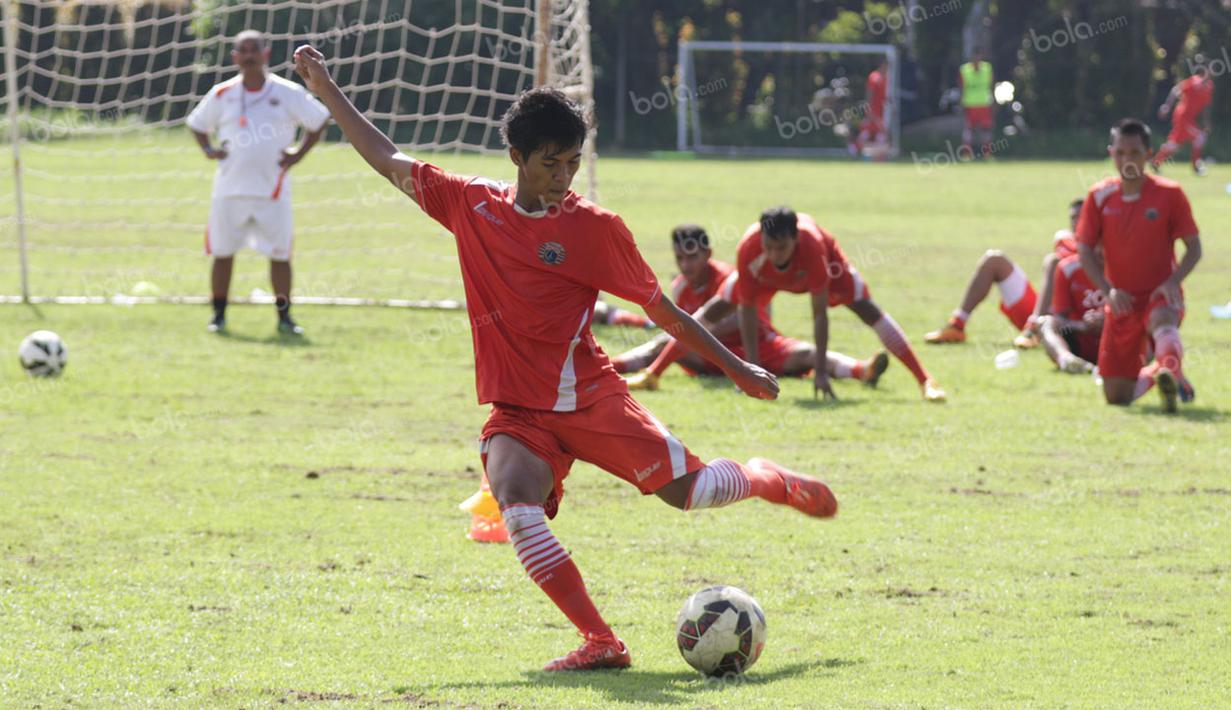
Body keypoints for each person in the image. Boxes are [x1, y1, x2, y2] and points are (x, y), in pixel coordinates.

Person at [293, 45, 840, 671]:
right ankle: (602, 641)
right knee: (515, 501)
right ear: (517, 158)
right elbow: (388, 159)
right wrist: (327, 89)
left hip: (590, 397)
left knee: (690, 494)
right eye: (550, 163)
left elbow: (664, 311)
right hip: (520, 410)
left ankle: (765, 478)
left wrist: (738, 369)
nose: (563, 176)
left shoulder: (596, 229)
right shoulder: (470, 204)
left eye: (573, 162)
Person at [617, 224, 888, 390]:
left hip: (758, 347)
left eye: (692, 257)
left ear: (707, 254)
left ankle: (862, 370)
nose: (686, 265)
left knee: (807, 353)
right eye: (680, 258)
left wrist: (702, 332)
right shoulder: (679, 287)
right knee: (663, 343)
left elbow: (756, 315)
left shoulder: (727, 278)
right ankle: (614, 367)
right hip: (712, 356)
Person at [187, 30, 330, 335]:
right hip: (229, 190)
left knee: (280, 255)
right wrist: (209, 149)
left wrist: (298, 154)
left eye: (255, 49)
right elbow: (197, 124)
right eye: (244, 50)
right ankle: (218, 316)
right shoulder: (222, 93)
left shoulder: (287, 92)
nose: (249, 55)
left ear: (266, 53)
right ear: (235, 57)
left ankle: (285, 318)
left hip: (272, 190)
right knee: (222, 253)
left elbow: (319, 120)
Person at [734, 208, 945, 402]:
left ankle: (925, 380)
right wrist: (750, 371)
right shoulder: (748, 249)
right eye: (768, 247)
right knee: (726, 301)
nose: (774, 254)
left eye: (781, 248)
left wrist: (821, 372)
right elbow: (747, 308)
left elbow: (819, 314)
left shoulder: (812, 246)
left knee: (867, 309)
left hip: (828, 268)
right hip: (768, 277)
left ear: (795, 239)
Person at [1077, 118, 1202, 413]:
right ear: (1111, 153)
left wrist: (1172, 282)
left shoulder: (1170, 194)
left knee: (1162, 319)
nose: (1127, 160)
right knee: (1116, 396)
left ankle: (1169, 367)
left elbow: (1194, 248)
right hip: (1121, 301)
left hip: (1160, 294)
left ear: (1149, 154)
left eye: (1134, 152)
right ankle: (1163, 375)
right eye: (1120, 153)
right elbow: (1084, 249)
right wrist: (1108, 291)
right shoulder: (1099, 196)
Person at [924, 199, 1082, 347]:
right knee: (994, 260)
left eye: (1082, 217)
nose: (1077, 222)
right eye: (1073, 217)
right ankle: (957, 325)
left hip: (1071, 321)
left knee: (1053, 261)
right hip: (1044, 311)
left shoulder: (1094, 246)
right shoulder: (1065, 239)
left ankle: (1034, 328)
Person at [1153, 65, 1214, 176]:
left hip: (1189, 119)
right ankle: (1195, 166)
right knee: (1199, 137)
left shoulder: (1208, 87)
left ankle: (1156, 162)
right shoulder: (1195, 82)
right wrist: (1167, 106)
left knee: (1174, 145)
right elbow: (1176, 90)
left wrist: (1206, 122)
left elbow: (1206, 107)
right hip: (1182, 116)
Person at [849, 58, 889, 159]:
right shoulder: (874, 77)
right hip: (873, 110)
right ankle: (854, 148)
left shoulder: (887, 78)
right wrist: (869, 109)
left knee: (879, 132)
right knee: (869, 132)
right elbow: (869, 94)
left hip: (882, 111)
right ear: (882, 65)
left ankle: (877, 155)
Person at [958, 48, 994, 157]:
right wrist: (961, 102)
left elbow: (991, 85)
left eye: (978, 57)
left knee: (986, 129)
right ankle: (966, 153)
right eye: (975, 57)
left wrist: (993, 100)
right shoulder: (964, 69)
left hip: (984, 103)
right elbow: (961, 87)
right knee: (969, 129)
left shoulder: (987, 68)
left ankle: (987, 153)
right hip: (970, 104)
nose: (976, 59)